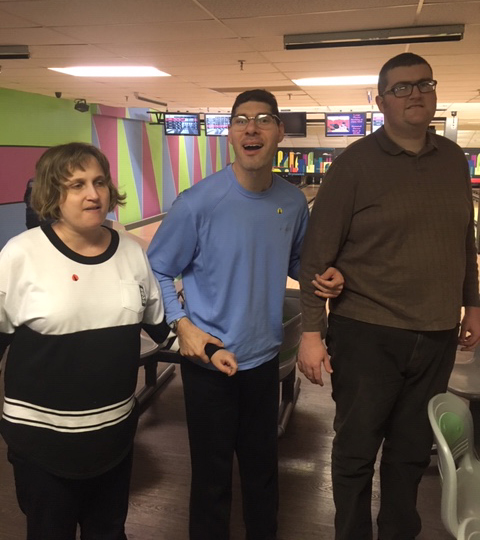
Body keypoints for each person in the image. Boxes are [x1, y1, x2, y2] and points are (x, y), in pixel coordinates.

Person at [298, 52, 480, 540]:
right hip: (367, 333)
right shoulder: (353, 164)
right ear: (381, 102)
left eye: (424, 83)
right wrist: (311, 332)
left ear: (435, 93)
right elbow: (317, 256)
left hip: (438, 333)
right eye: (401, 87)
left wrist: (474, 305)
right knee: (356, 450)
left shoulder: (452, 161)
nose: (415, 93)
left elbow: (465, 241)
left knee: (411, 450)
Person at [147, 89, 344, 540]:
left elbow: (295, 262)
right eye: (241, 120)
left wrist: (324, 275)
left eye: (263, 119)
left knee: (263, 475)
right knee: (212, 481)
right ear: (231, 134)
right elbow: (156, 268)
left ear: (279, 132)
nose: (251, 127)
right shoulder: (198, 202)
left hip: (263, 360)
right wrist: (182, 325)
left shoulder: (292, 202)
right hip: (208, 361)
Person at [0, 142, 178, 540]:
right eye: (76, 184)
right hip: (41, 444)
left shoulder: (131, 253)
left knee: (109, 533)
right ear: (51, 193)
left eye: (99, 181)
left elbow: (162, 326)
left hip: (113, 436)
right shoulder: (20, 256)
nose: (93, 194)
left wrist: (212, 344)